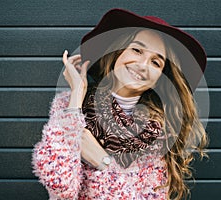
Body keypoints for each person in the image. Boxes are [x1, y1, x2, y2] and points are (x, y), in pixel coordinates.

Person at [32, 8, 208, 200]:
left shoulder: (158, 134)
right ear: (118, 52)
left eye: (156, 62)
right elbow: (60, 186)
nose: (142, 65)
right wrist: (75, 100)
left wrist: (102, 160)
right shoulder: (68, 106)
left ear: (160, 79)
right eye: (137, 50)